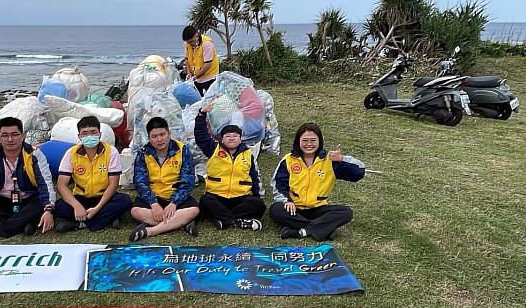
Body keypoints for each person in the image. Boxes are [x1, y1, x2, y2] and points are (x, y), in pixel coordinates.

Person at [269, 122, 365, 241]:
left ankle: (301, 231)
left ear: (320, 141)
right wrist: (286, 201)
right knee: (275, 210)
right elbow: (278, 184)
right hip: (294, 207)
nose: (309, 144)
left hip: (318, 208)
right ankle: (322, 228)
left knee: (346, 212)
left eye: (313, 140)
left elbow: (359, 173)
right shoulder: (288, 160)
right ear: (298, 141)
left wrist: (342, 159)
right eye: (305, 140)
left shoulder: (330, 161)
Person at [194, 102, 266, 230]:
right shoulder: (213, 149)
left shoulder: (248, 155)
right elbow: (201, 136)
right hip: (217, 195)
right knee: (205, 202)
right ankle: (238, 221)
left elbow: (255, 178)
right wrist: (202, 114)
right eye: (227, 136)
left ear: (240, 139)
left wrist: (257, 197)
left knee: (258, 205)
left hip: (241, 196)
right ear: (221, 139)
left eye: (235, 136)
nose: (231, 138)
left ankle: (223, 219)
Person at [54, 116, 132, 232]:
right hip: (81, 197)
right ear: (79, 136)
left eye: (93, 132)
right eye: (85, 133)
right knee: (59, 206)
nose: (89, 136)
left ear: (100, 134)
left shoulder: (111, 151)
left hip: (104, 197)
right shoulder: (71, 153)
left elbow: (114, 184)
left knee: (125, 201)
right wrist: (76, 206)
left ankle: (81, 223)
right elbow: (61, 185)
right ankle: (106, 219)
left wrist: (97, 208)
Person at [129, 117, 200, 241]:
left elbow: (188, 181)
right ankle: (180, 224)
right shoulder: (144, 153)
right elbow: (140, 182)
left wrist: (174, 203)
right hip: (154, 197)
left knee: (194, 210)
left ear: (169, 133)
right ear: (149, 138)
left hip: (175, 196)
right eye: (154, 136)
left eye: (162, 134)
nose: (159, 139)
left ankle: (151, 231)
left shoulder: (182, 150)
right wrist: (154, 203)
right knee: (135, 211)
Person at [182, 25, 219, 96]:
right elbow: (187, 59)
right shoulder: (187, 44)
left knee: (209, 101)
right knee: (198, 101)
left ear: (196, 35)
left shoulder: (207, 44)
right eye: (188, 42)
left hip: (209, 78)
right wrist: (189, 72)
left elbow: (207, 65)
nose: (190, 44)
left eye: (191, 41)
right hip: (196, 79)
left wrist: (195, 77)